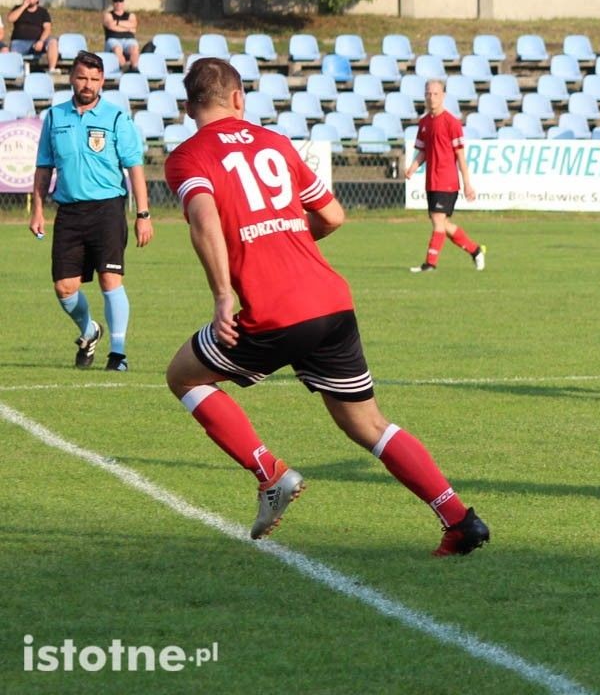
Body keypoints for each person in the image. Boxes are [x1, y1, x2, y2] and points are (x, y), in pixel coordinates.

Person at [163, 58, 489, 554]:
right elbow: (333, 215)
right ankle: (460, 519)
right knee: (368, 424)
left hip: (273, 311)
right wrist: (284, 240)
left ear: (188, 108)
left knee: (184, 377)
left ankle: (269, 473)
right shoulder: (276, 143)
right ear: (239, 99)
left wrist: (223, 293)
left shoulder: (188, 156)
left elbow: (204, 218)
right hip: (331, 302)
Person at [28, 51, 152, 372]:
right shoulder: (55, 117)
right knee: (64, 288)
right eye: (83, 77)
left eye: (95, 79)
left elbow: (134, 167)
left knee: (110, 280)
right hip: (69, 212)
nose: (88, 84)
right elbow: (44, 167)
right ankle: (89, 330)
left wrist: (143, 214)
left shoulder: (116, 118)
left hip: (107, 209)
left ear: (103, 81)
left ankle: (118, 355)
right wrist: (37, 210)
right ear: (72, 77)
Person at [405, 79, 486, 273]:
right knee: (443, 223)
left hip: (447, 181)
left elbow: (460, 156)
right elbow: (423, 151)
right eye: (428, 94)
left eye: (435, 94)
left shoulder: (451, 122)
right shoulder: (424, 123)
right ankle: (475, 250)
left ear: (443, 96)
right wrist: (413, 167)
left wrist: (467, 184)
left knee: (438, 221)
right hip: (431, 181)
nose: (431, 98)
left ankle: (430, 263)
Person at [7, 0, 59, 70]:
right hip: (19, 42)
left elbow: (47, 29)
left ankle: (52, 69)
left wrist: (41, 41)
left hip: (38, 42)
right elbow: (10, 19)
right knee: (13, 49)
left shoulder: (43, 12)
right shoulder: (17, 8)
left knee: (53, 42)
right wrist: (23, 6)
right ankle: (14, 71)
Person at [103, 0, 139, 71]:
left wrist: (117, 23)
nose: (118, 3)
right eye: (116, 1)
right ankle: (124, 68)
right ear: (113, 3)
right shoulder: (108, 15)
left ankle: (135, 68)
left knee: (134, 48)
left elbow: (134, 25)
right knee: (117, 49)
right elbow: (110, 26)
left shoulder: (131, 15)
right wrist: (128, 28)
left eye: (120, 1)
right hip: (113, 39)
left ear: (123, 2)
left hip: (129, 39)